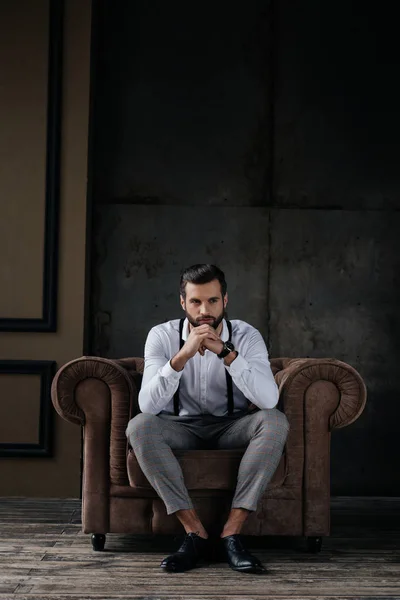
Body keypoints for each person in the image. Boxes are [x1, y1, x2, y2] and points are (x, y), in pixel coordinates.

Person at [126, 264, 289, 573]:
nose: (204, 310)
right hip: (178, 426)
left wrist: (227, 353)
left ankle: (232, 533)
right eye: (196, 301)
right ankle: (195, 533)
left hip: (233, 425)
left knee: (274, 421)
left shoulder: (246, 334)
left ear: (225, 300)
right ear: (182, 303)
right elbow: (147, 406)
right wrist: (182, 356)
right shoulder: (161, 336)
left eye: (212, 301)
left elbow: (269, 400)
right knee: (140, 426)